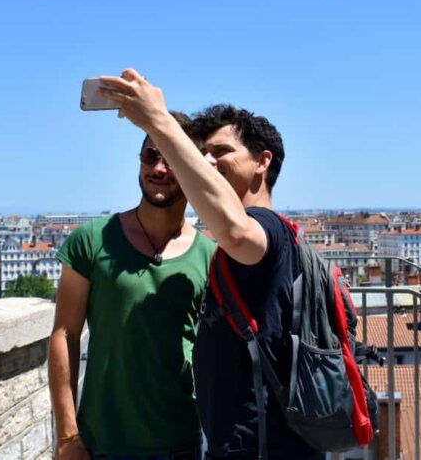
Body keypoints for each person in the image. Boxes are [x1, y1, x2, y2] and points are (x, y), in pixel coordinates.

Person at [99, 70, 321, 460]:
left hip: (261, 447)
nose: (207, 161)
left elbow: (235, 232)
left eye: (221, 152)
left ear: (261, 162)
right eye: (204, 153)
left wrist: (159, 120)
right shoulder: (278, 235)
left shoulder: (263, 229)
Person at [47, 111, 216, 460]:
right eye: (151, 156)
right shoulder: (92, 240)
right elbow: (64, 334)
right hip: (103, 444)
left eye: (172, 159)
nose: (158, 169)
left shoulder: (209, 256)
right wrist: (67, 436)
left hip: (180, 444)